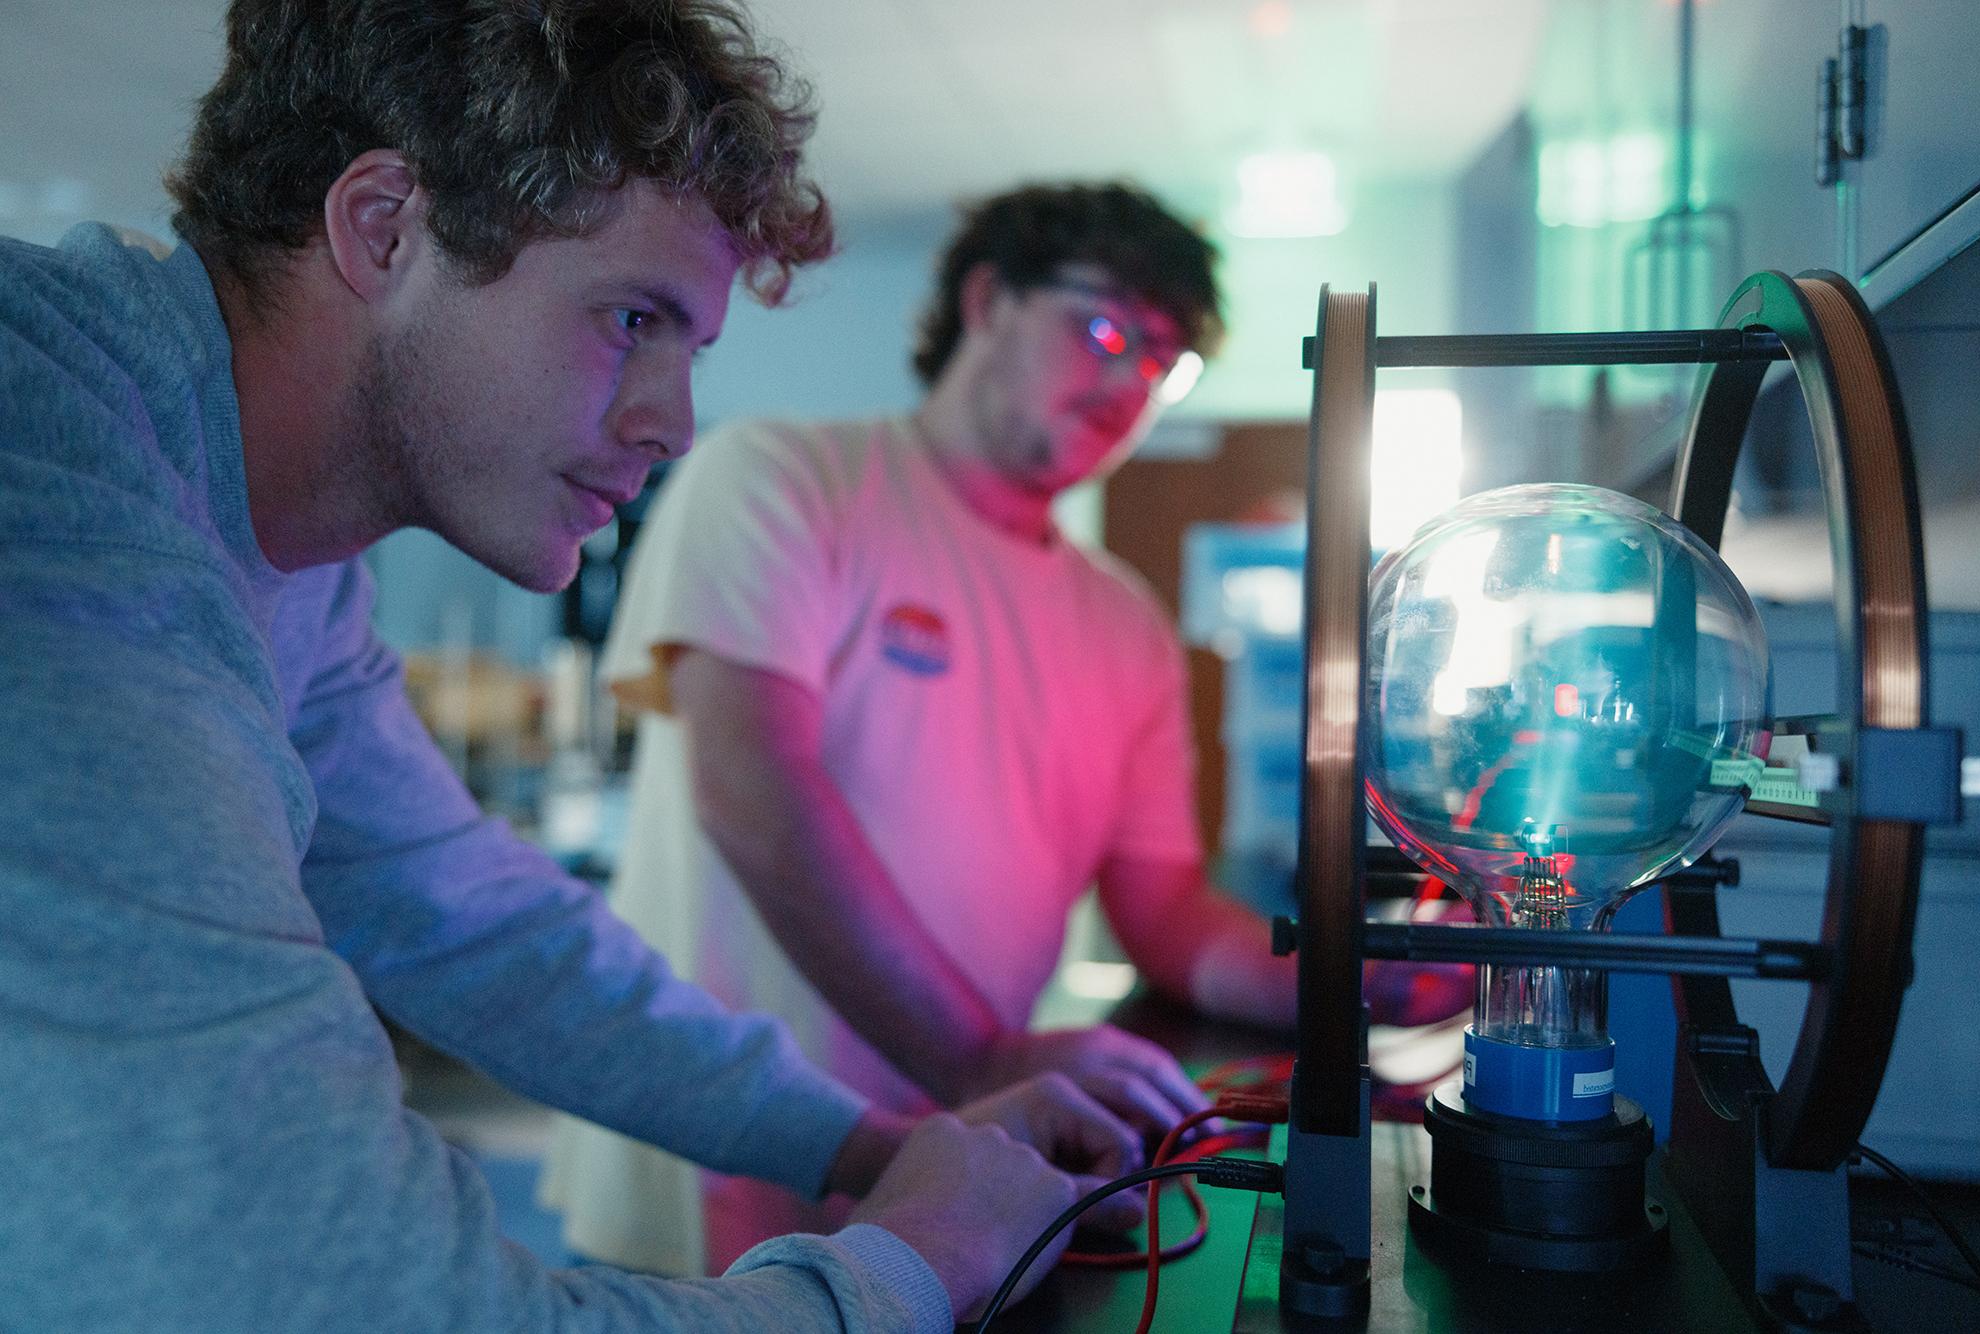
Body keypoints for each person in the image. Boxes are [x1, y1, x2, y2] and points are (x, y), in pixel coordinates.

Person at [0, 4, 1154, 1330]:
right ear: (383, 229)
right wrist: (900, 1269)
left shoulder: (290, 556)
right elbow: (389, 1304)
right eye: (632, 318)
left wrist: (875, 1150)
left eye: (690, 347)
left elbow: (469, 916)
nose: (672, 424)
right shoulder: (58, 502)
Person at [542, 181, 1476, 1274]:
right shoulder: (785, 477)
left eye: (1162, 363)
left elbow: (1162, 903)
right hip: (712, 1147)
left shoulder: (1121, 619)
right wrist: (979, 1052)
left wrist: (1347, 982)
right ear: (987, 300)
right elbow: (755, 793)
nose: (1130, 381)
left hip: (963, 1154)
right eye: (1107, 329)